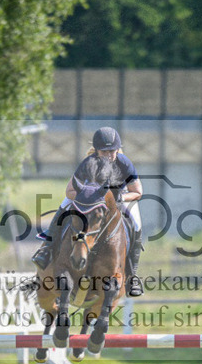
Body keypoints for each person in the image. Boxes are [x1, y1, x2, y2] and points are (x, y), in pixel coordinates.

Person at [31, 127, 145, 297]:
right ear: (97, 150)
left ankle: (133, 275)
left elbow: (138, 192)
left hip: (118, 200)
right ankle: (47, 249)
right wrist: (87, 198)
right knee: (64, 205)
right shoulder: (87, 163)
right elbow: (70, 191)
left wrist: (120, 198)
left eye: (112, 151)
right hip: (89, 201)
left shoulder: (124, 163)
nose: (109, 155)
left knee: (136, 224)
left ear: (118, 149)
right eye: (104, 151)